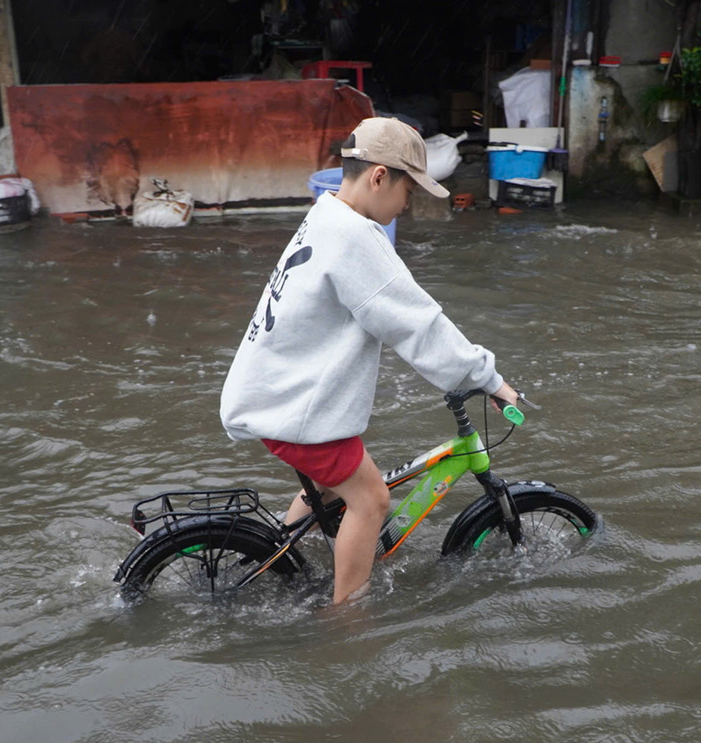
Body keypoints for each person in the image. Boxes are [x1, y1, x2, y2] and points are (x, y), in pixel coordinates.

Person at [220, 117, 518, 605]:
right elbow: (418, 323)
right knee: (372, 497)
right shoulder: (355, 238)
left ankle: (274, 555)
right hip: (291, 405)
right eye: (407, 191)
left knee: (329, 483)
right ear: (379, 177)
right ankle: (346, 620)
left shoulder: (326, 215)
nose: (408, 204)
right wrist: (489, 379)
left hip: (271, 393)